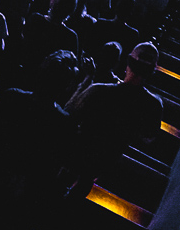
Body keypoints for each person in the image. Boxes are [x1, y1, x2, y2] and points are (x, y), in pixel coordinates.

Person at [62, 41, 164, 200]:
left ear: (128, 61)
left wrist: (87, 79)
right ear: (152, 70)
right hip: (106, 161)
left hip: (75, 151)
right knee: (84, 183)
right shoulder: (153, 106)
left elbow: (68, 112)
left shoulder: (99, 90)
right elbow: (149, 137)